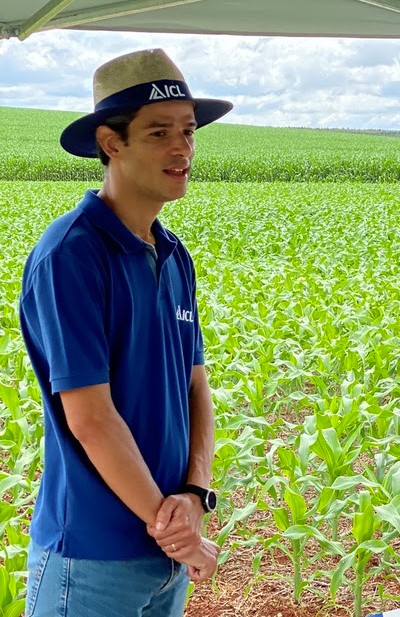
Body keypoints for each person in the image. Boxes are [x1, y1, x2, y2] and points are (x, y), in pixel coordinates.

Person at [19, 48, 232, 616]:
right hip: (91, 562)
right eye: (159, 132)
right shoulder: (72, 255)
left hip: (163, 552)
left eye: (188, 131)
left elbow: (195, 387)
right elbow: (90, 418)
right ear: (111, 144)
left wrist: (194, 493)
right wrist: (173, 529)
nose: (182, 148)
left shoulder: (172, 253)